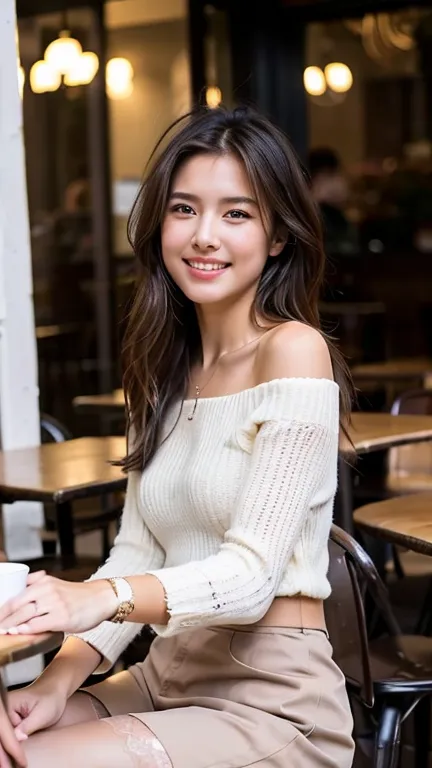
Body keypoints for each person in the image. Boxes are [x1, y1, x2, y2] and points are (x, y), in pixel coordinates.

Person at [0, 107, 355, 768]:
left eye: (237, 214)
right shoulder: (161, 372)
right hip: (163, 675)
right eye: (185, 210)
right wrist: (54, 681)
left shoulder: (294, 351)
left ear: (278, 236)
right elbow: (136, 550)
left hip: (272, 699)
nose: (205, 236)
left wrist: (94, 598)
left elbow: (252, 578)